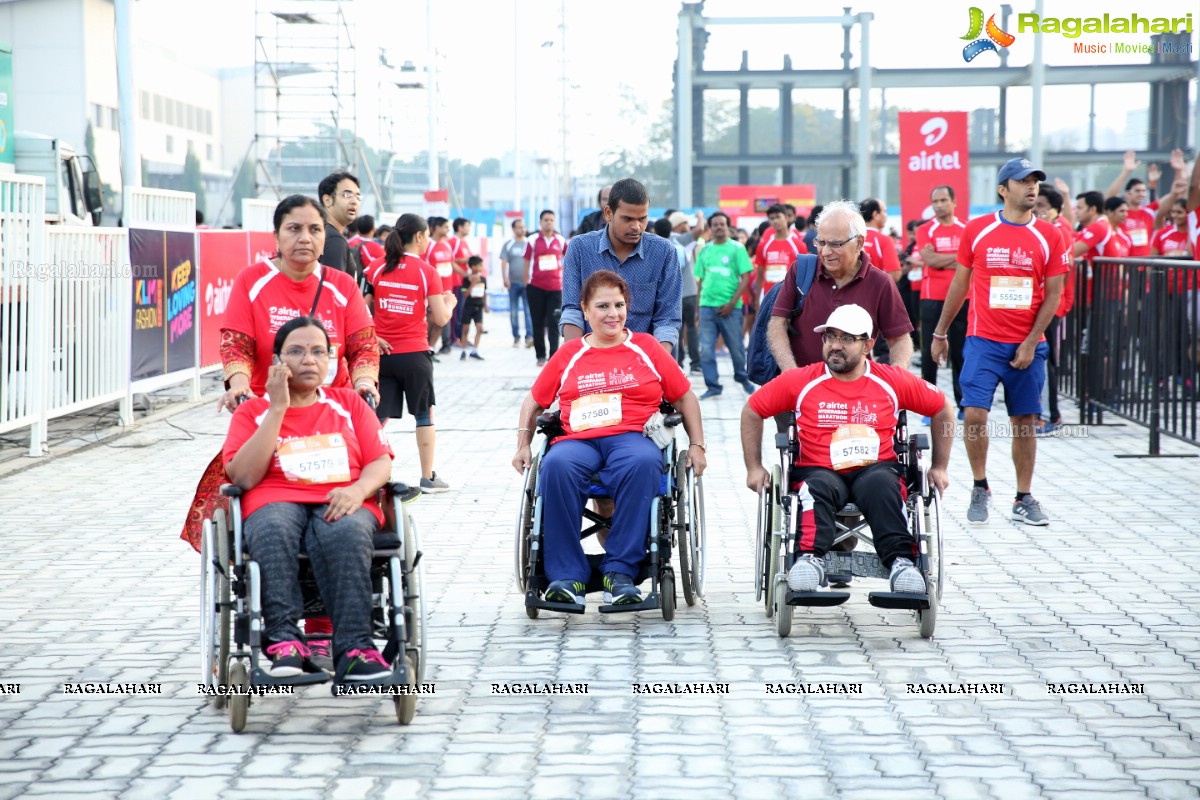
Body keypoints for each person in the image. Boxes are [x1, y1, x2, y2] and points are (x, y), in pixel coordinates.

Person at [204, 195, 381, 669]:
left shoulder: (342, 286)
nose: (305, 239)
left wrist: (363, 384)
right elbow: (236, 342)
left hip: (332, 412)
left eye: (315, 230)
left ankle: (333, 631)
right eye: (294, 229)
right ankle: (278, 632)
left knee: (346, 521)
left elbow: (364, 345)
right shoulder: (254, 282)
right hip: (270, 415)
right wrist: (242, 385)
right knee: (255, 511)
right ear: (277, 235)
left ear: (326, 237)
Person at [511, 270, 706, 606]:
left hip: (632, 436)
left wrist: (698, 446)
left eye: (619, 305)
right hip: (578, 441)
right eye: (602, 306)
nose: (612, 313)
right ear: (585, 310)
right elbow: (534, 401)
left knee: (644, 463)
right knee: (556, 465)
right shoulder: (570, 353)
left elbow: (685, 397)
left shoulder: (645, 347)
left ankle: (620, 571)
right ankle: (566, 576)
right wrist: (523, 444)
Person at [223, 316, 393, 681]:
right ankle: (285, 642)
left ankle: (355, 649)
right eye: (296, 351)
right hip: (275, 497)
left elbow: (380, 461)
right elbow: (244, 476)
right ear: (277, 362)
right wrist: (278, 408)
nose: (309, 360)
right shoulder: (252, 411)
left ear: (330, 359)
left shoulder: (348, 402)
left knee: (346, 531)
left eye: (319, 351)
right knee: (272, 528)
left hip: (343, 495)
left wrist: (358, 490)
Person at [741, 304, 953, 595]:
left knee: (883, 486)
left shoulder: (891, 380)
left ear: (868, 344)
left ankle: (901, 562)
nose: (835, 346)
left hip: (876, 469)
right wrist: (754, 467)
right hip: (819, 469)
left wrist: (940, 466)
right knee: (814, 488)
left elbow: (943, 409)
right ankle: (809, 559)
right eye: (830, 337)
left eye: (846, 339)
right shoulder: (802, 380)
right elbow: (752, 410)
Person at [931, 158, 1069, 527]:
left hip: (1028, 343)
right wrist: (940, 332)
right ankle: (980, 486)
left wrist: (1029, 342)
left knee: (1024, 420)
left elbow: (1053, 295)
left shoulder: (1050, 235)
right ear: (1003, 189)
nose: (1032, 188)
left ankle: (1023, 497)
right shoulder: (977, 230)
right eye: (1022, 181)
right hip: (983, 341)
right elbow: (959, 285)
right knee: (974, 414)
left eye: (1035, 182)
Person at [363, 213, 456, 494]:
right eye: (426, 235)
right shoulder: (427, 272)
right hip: (415, 354)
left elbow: (358, 310)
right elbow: (440, 318)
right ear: (418, 237)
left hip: (381, 355)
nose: (427, 240)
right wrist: (449, 303)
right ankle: (428, 478)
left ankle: (363, 468)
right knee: (423, 415)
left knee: (376, 418)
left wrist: (374, 336)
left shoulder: (376, 268)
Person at [767, 200, 914, 373]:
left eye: (835, 244)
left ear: (859, 243)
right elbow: (778, 323)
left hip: (854, 391)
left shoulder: (880, 282)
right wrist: (790, 372)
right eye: (821, 243)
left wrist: (895, 379)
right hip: (802, 387)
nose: (826, 252)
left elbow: (899, 339)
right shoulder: (801, 270)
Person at [560, 178, 682, 353]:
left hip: (646, 359)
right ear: (608, 213)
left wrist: (656, 363)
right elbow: (572, 310)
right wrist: (575, 358)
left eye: (643, 219)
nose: (636, 227)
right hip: (594, 359)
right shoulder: (580, 248)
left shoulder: (664, 252)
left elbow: (667, 319)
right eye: (628, 219)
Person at [915, 186, 969, 417]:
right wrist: (958, 259)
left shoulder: (966, 229)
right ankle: (929, 406)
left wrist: (941, 259)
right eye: (935, 200)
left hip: (963, 298)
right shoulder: (925, 229)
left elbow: (971, 260)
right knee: (929, 353)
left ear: (954, 201)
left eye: (944, 200)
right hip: (932, 298)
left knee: (960, 353)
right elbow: (929, 259)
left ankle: (963, 404)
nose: (939, 205)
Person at [1033, 183, 1078, 435]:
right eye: (1035, 205)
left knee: (1047, 359)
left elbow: (1062, 270)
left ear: (1055, 210)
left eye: (1042, 206)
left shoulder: (1058, 231)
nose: (1037, 210)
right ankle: (1041, 413)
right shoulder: (1047, 228)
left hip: (1053, 305)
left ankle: (1051, 415)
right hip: (1040, 304)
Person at [694, 211, 755, 398]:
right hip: (707, 307)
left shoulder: (737, 249)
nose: (719, 227)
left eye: (722, 224)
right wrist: (698, 308)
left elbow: (746, 278)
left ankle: (742, 377)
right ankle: (713, 386)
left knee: (736, 349)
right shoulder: (705, 250)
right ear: (710, 228)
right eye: (715, 224)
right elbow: (700, 281)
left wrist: (732, 303)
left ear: (727, 227)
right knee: (705, 350)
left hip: (731, 309)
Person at [524, 209, 567, 366]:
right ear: (540, 222)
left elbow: (569, 258)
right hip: (535, 287)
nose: (549, 222)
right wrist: (526, 282)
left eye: (551, 220)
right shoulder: (533, 240)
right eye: (546, 220)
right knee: (537, 322)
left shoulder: (560, 240)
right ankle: (540, 356)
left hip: (556, 288)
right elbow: (527, 261)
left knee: (554, 322)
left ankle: (553, 356)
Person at [754, 204, 806, 302]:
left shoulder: (798, 245)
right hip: (768, 297)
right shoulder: (763, 246)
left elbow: (804, 274)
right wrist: (757, 301)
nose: (775, 221)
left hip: (790, 299)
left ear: (786, 217)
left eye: (778, 217)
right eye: (772, 218)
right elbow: (760, 275)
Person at [500, 218, 534, 347]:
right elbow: (503, 262)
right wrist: (505, 278)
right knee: (513, 311)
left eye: (523, 227)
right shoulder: (509, 244)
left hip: (528, 284)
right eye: (518, 227)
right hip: (513, 283)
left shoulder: (530, 243)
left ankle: (529, 337)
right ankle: (516, 336)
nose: (521, 229)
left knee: (528, 311)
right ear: (513, 229)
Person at [423, 216, 455, 356]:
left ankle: (431, 348)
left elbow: (451, 264)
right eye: (445, 227)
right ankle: (424, 348)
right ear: (435, 228)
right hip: (433, 291)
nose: (448, 230)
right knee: (431, 321)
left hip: (447, 290)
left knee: (441, 322)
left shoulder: (447, 245)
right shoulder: (428, 245)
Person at [317, 172, 361, 274]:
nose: (354, 201)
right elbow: (333, 287)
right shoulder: (335, 240)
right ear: (328, 200)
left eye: (358, 197)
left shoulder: (321, 233)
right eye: (347, 195)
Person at [459, 256, 488, 361]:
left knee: (479, 328)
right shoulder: (466, 279)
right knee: (465, 329)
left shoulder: (483, 279)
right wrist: (472, 284)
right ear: (473, 267)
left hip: (478, 307)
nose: (481, 267)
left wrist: (485, 305)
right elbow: (465, 294)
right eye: (480, 265)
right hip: (468, 307)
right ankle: (463, 350)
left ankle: (475, 350)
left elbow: (484, 292)